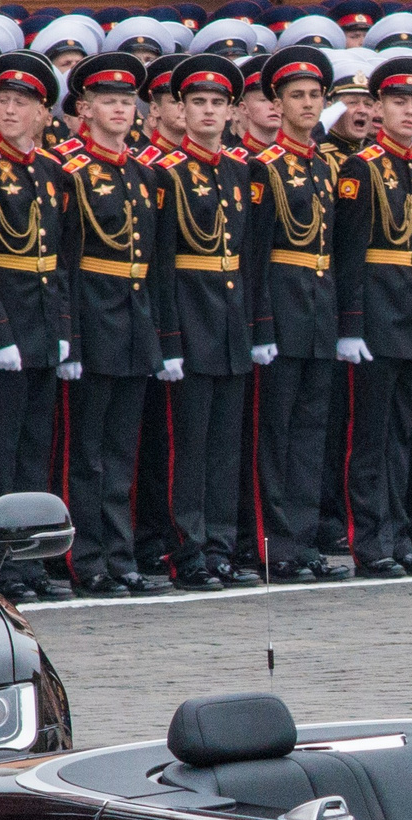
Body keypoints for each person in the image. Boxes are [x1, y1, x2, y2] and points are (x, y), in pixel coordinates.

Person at [151, 52, 265, 594]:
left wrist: (255, 327)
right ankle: (187, 550)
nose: (208, 112)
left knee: (225, 445)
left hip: (230, 322)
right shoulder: (165, 174)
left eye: (218, 103)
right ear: (180, 108)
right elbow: (162, 263)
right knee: (188, 446)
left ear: (232, 111)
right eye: (197, 102)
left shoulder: (244, 171)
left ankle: (220, 545)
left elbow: (252, 258)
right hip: (190, 318)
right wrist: (170, 338)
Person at [332, 54, 412, 576]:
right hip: (377, 316)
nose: (408, 111)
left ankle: (398, 535)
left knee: (402, 436)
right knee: (370, 437)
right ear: (378, 107)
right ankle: (370, 540)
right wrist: (351, 324)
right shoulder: (361, 167)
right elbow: (351, 250)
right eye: (398, 102)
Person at [56, 51, 164, 597]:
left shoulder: (143, 172)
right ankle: (86, 559)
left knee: (121, 453)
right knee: (87, 453)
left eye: (128, 101)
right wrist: (70, 335)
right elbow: (67, 260)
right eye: (109, 101)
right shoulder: (68, 169)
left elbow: (150, 260)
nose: (121, 109)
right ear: (85, 108)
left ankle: (120, 556)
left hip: (132, 318)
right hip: (93, 319)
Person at [0, 51, 69, 583]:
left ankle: (31, 562)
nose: (8, 110)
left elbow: (61, 258)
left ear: (44, 113)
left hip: (45, 325)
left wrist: (64, 329)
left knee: (34, 448)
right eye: (2, 100)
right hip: (4, 325)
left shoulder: (52, 172)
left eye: (21, 103)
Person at [251, 43, 349, 580]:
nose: (308, 105)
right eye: (297, 96)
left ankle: (303, 537)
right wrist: (262, 320)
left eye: (315, 96)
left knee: (312, 430)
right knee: (276, 432)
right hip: (282, 304)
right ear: (277, 103)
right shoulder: (260, 166)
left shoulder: (328, 166)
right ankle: (273, 541)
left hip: (319, 306)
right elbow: (258, 252)